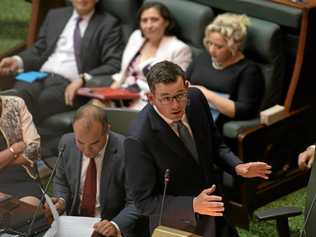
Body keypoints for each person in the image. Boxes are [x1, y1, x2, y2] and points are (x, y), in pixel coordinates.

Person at [125, 61, 271, 237]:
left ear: (187, 86)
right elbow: (143, 201)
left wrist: (236, 166)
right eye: (166, 98)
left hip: (217, 208)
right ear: (150, 97)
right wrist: (193, 204)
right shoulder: (139, 138)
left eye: (179, 95)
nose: (175, 105)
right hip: (179, 223)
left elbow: (215, 143)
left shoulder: (195, 98)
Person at [0, 0, 123, 122]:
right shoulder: (56, 15)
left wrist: (84, 79)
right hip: (38, 76)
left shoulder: (108, 24)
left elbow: (113, 63)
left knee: (39, 102)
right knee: (16, 95)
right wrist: (17, 60)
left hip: (68, 84)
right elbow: (39, 48)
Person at [50, 103, 144, 237]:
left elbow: (135, 202)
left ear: (107, 130)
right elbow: (61, 181)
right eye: (80, 142)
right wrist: (61, 201)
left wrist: (115, 225)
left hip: (108, 224)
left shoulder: (127, 151)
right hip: (73, 223)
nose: (87, 151)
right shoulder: (67, 143)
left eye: (94, 143)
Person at [110, 1, 192, 110]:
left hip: (150, 102)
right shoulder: (136, 36)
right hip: (122, 93)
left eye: (154, 20)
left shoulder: (179, 49)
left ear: (166, 22)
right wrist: (108, 92)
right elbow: (123, 73)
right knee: (94, 108)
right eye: (144, 20)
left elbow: (174, 88)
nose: (148, 25)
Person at [187, 13, 264, 123]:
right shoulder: (203, 57)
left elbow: (244, 111)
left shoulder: (248, 70)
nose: (211, 50)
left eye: (219, 46)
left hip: (212, 124)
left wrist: (205, 94)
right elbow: (184, 81)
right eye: (210, 43)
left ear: (234, 46)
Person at [0, 96, 41, 206]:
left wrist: (4, 161)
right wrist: (13, 151)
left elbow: (34, 148)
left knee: (27, 210)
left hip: (22, 178)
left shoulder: (16, 104)